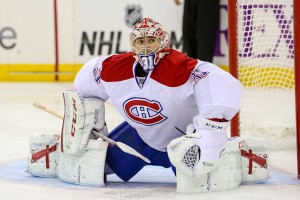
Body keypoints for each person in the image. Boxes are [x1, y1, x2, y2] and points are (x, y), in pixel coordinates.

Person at [28, 18, 247, 192]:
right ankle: (53, 153)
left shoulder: (183, 68)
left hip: (181, 145)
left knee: (200, 183)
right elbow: (85, 93)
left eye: (150, 40)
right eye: (140, 42)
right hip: (138, 140)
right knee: (92, 168)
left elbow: (220, 83)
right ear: (132, 44)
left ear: (163, 41)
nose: (145, 47)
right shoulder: (112, 68)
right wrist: (87, 128)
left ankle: (234, 152)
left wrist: (210, 136)